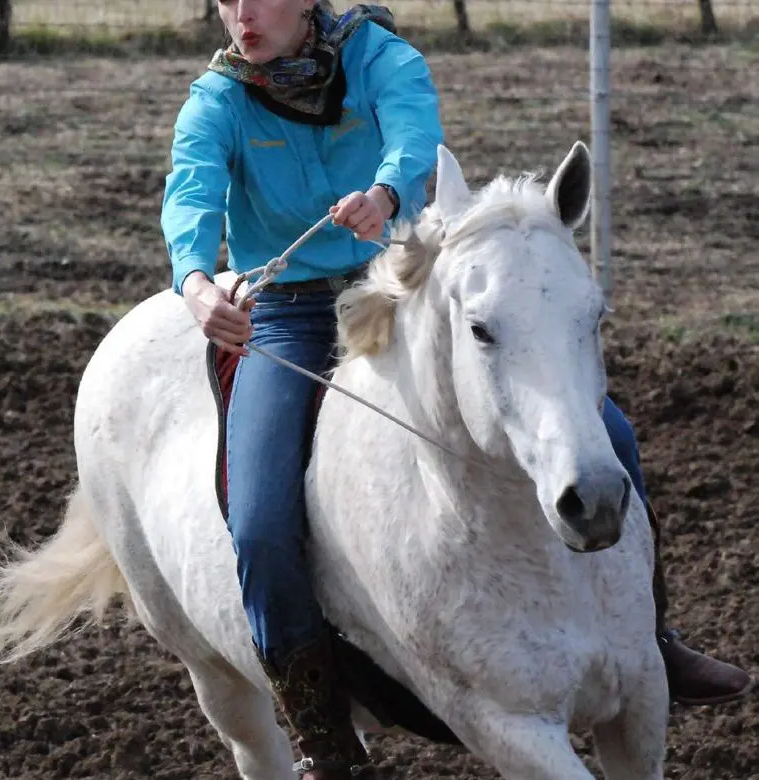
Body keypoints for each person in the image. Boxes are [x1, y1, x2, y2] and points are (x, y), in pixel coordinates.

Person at [160, 2, 751, 775]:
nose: (240, 15)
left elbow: (414, 137)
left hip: (404, 287)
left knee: (608, 432)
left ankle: (652, 638)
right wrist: (200, 283)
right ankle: (321, 732)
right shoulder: (217, 99)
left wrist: (385, 196)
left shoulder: (378, 55)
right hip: (289, 313)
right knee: (263, 520)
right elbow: (191, 196)